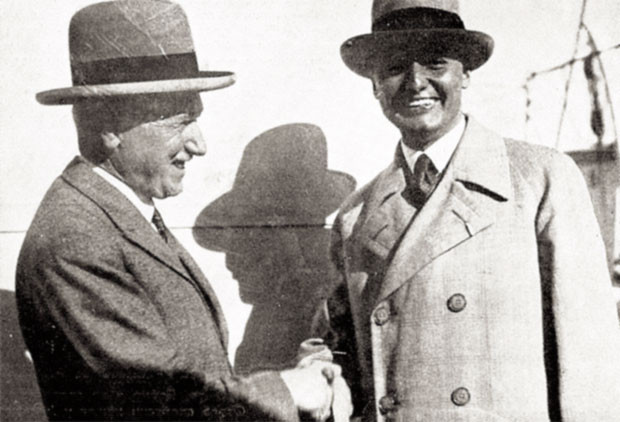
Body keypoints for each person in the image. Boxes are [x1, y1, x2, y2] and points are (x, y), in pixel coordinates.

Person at [15, 1, 344, 420]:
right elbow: (156, 405)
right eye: (179, 121)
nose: (199, 144)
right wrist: (286, 391)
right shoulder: (77, 240)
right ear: (109, 126)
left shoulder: (118, 216)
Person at [313, 0, 620, 420]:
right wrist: (319, 374)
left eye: (435, 63)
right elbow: (338, 349)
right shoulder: (355, 217)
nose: (415, 82)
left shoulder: (539, 180)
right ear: (374, 84)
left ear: (466, 73)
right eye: (395, 67)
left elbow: (591, 363)